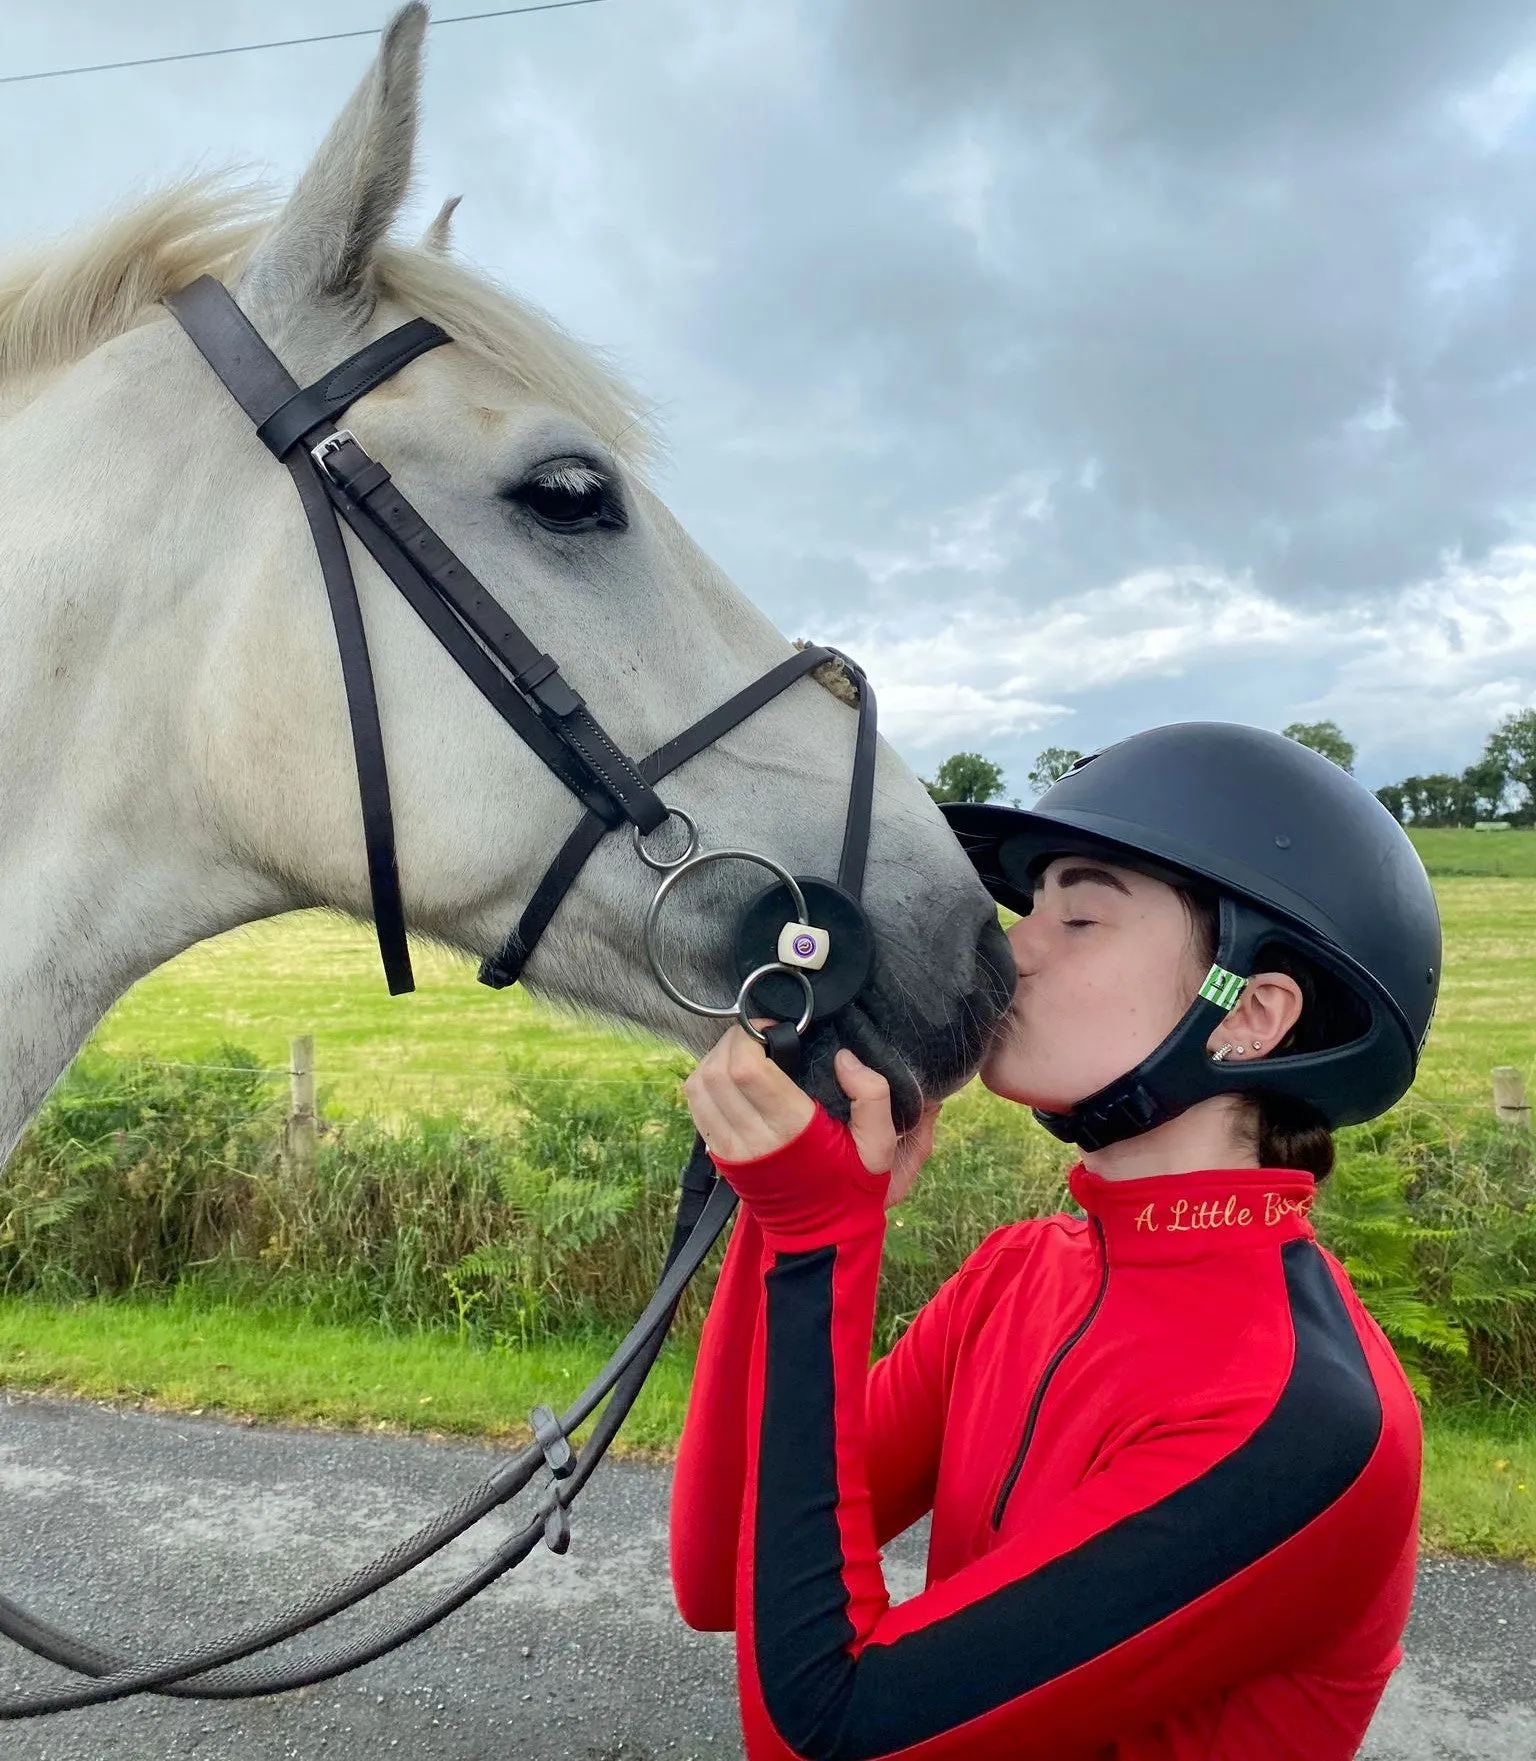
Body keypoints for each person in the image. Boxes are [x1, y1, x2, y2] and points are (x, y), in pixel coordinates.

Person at [668, 721, 1441, 1761]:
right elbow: (722, 1574)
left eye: (1077, 918)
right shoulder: (1017, 1276)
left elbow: (825, 1731)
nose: (1012, 948)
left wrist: (819, 1237)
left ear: (1249, 1012)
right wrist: (782, 1212)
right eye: (1028, 908)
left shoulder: (1299, 1417)